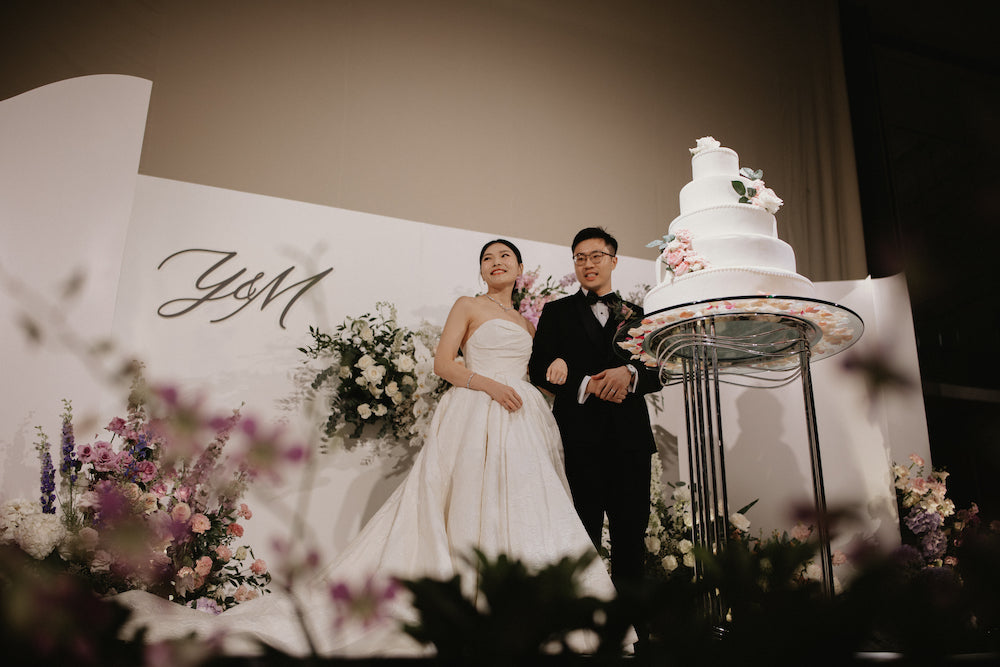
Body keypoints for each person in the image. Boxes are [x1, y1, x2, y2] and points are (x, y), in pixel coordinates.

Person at [117, 239, 622, 658]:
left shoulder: (532, 325)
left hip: (523, 417)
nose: (496, 263)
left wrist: (550, 376)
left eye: (505, 257)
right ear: (482, 269)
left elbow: (537, 371)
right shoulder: (467, 306)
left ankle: (530, 611)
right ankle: (466, 601)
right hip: (475, 408)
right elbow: (444, 364)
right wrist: (487, 385)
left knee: (526, 504)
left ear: (519, 269)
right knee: (467, 502)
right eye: (488, 257)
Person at [528, 227, 661, 597]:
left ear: (613, 261)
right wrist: (586, 384)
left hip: (630, 442)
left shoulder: (638, 314)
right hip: (578, 440)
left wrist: (629, 373)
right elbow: (538, 369)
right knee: (579, 537)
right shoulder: (555, 313)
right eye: (580, 257)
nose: (588, 264)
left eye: (596, 256)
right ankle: (582, 630)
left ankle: (634, 632)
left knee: (630, 537)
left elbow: (658, 370)